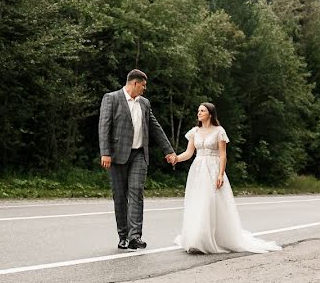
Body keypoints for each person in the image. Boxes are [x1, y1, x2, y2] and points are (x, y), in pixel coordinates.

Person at [173, 103, 281, 254]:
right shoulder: (194, 132)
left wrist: (220, 174)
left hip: (213, 169)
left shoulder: (219, 131)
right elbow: (189, 153)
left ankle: (211, 239)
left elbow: (223, 155)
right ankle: (196, 239)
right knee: (197, 202)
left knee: (210, 203)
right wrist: (176, 159)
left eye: (202, 111)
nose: (199, 113)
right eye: (198, 111)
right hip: (197, 170)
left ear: (210, 114)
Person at [99, 69, 177, 251]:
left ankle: (135, 237)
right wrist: (105, 152)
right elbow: (104, 127)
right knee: (120, 197)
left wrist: (169, 150)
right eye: (143, 85)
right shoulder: (111, 98)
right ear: (134, 83)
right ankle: (123, 236)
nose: (144, 89)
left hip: (139, 155)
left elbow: (155, 127)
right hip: (117, 155)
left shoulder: (145, 103)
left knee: (136, 193)